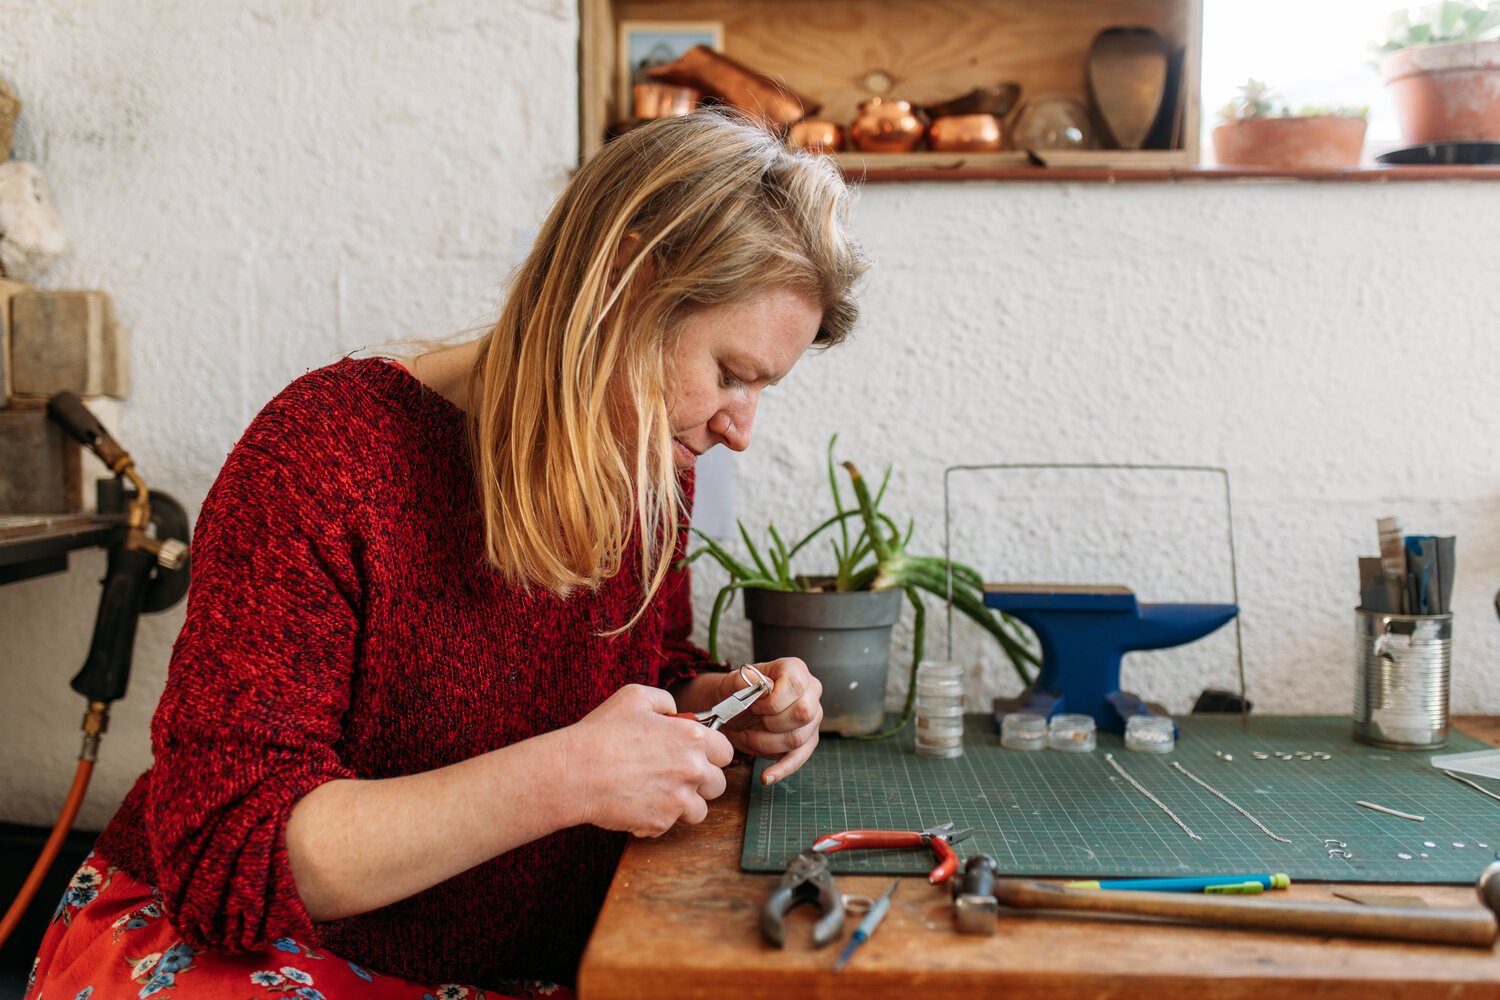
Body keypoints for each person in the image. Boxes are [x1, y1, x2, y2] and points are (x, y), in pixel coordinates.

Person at [26, 109, 868, 999]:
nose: (741, 429)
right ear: (623, 279)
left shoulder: (652, 466)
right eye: (731, 373)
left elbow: (635, 673)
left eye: (763, 387)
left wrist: (718, 710)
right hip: (252, 955)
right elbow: (227, 853)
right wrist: (569, 774)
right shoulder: (326, 454)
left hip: (506, 966)